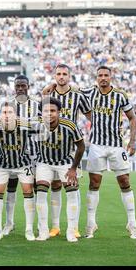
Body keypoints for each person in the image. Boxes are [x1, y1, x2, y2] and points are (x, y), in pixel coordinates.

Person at [80, 66, 136, 239]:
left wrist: (133, 140)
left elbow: (133, 118)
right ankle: (91, 224)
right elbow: (71, 90)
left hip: (116, 145)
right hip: (97, 145)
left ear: (111, 77)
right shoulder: (90, 92)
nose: (103, 78)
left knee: (124, 180)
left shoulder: (120, 95)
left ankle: (132, 223)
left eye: (106, 75)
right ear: (96, 77)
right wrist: (53, 86)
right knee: (94, 183)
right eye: (100, 75)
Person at [42, 64, 91, 238]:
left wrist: (91, 132)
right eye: (58, 74)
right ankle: (55, 226)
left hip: (72, 145)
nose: (61, 76)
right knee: (55, 185)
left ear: (69, 76)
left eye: (64, 74)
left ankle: (74, 226)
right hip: (52, 144)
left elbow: (90, 115)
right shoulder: (49, 94)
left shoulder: (78, 95)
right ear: (54, 76)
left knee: (72, 184)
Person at [32, 97, 85, 242]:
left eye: (53, 111)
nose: (49, 114)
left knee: (72, 193)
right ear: (41, 112)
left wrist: (74, 168)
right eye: (46, 111)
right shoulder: (35, 126)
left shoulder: (69, 125)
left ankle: (71, 231)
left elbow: (81, 146)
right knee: (41, 193)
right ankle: (43, 231)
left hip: (65, 163)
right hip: (44, 162)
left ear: (59, 112)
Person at [0, 101, 35, 241]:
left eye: (10, 112)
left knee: (28, 191)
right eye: (4, 112)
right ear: (0, 114)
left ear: (15, 114)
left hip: (23, 164)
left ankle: (29, 229)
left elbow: (41, 128)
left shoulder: (25, 125)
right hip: (2, 164)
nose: (7, 115)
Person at [3, 75, 40, 237]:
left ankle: (35, 225)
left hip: (33, 153)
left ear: (28, 86)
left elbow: (40, 127)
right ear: (14, 87)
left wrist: (20, 122)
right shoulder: (7, 104)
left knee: (34, 189)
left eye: (23, 86)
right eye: (17, 86)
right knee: (11, 188)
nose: (20, 88)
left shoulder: (37, 105)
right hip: (12, 153)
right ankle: (9, 223)